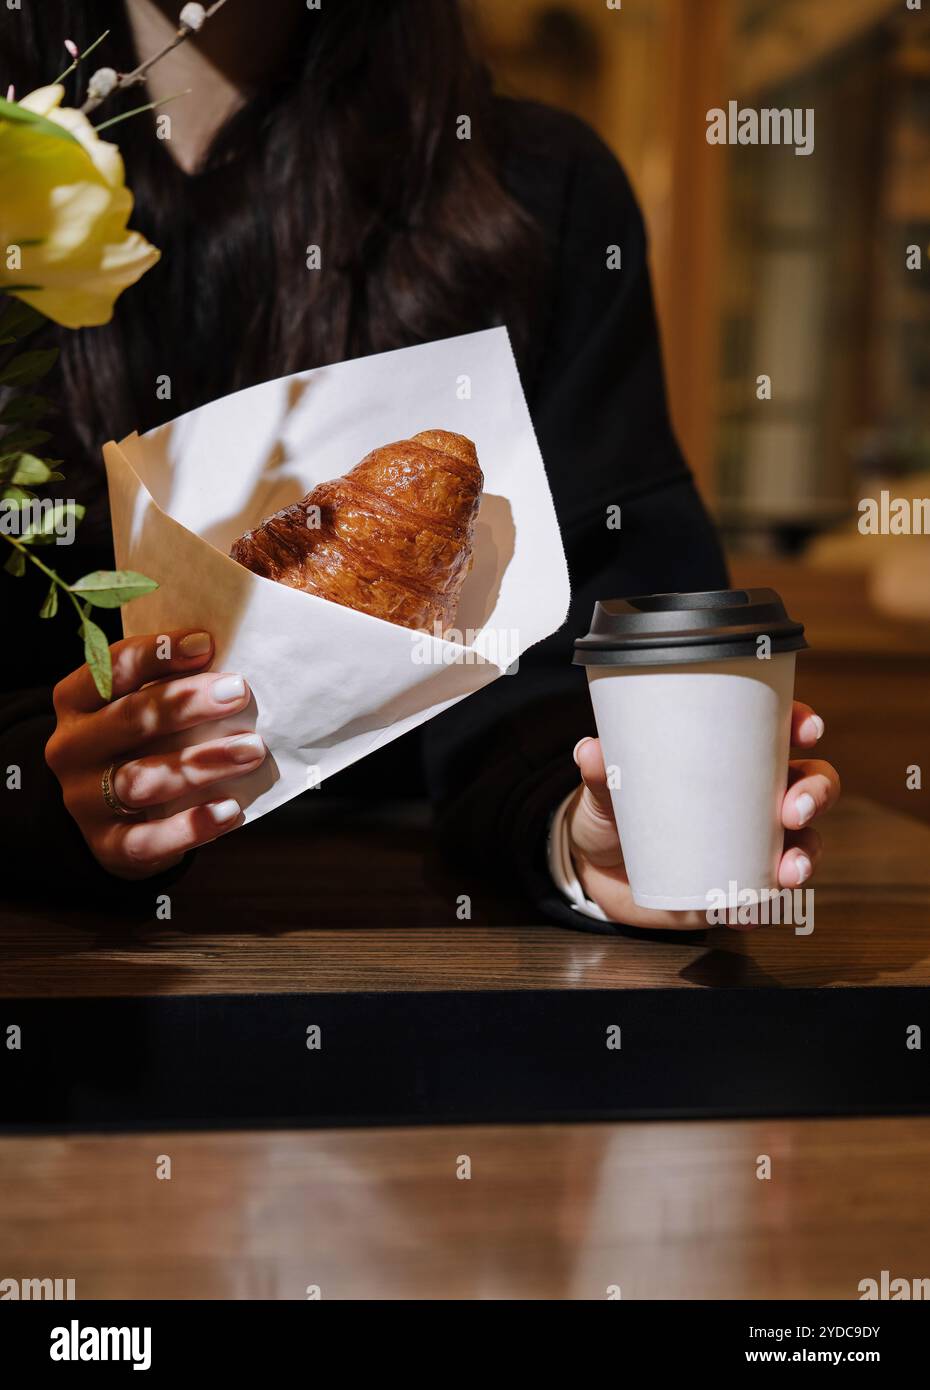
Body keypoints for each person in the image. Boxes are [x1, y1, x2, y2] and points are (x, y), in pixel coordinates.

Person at [0, 0, 839, 932]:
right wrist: (42, 794)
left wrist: (587, 829)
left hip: (441, 950)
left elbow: (581, 650)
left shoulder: (537, 192)